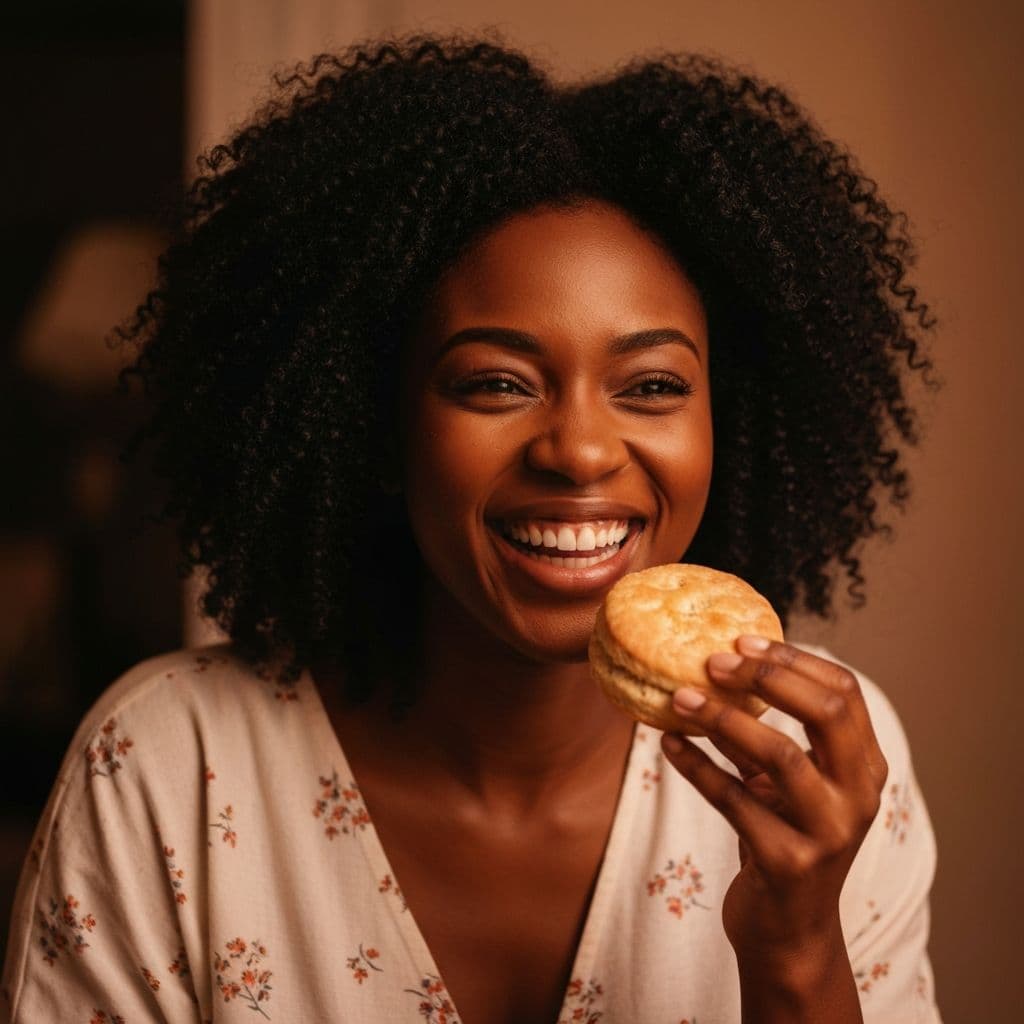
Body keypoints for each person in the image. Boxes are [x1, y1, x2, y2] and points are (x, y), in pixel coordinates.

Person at [0, 30, 941, 1024]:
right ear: (373, 421)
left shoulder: (821, 768)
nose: (580, 451)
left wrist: (797, 947)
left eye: (652, 385)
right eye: (496, 383)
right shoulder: (164, 766)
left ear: (726, 424)